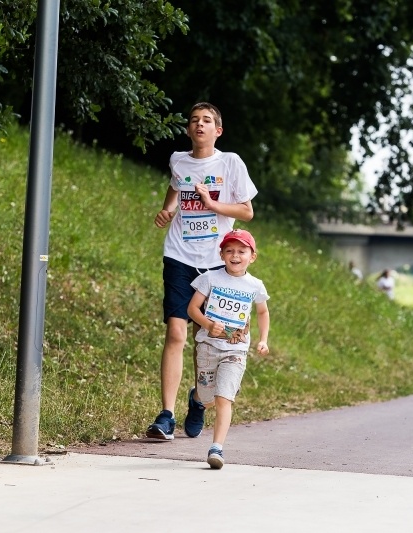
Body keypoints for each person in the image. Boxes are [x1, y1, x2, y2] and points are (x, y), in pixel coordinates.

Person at [147, 102, 258, 440]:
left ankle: (198, 399)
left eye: (207, 121)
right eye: (194, 120)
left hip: (215, 262)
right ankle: (165, 415)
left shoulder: (230, 162)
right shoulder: (179, 160)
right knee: (176, 333)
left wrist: (211, 204)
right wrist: (168, 210)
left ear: (217, 130)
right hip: (179, 254)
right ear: (188, 129)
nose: (200, 125)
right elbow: (175, 187)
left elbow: (246, 211)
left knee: (207, 341)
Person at [187, 229, 270, 469]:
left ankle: (217, 448)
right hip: (208, 346)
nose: (235, 255)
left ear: (252, 256)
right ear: (221, 254)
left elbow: (263, 312)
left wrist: (263, 339)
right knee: (207, 398)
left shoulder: (255, 285)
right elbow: (193, 309)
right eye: (230, 251)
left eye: (242, 251)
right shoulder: (210, 278)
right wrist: (208, 324)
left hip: (236, 350)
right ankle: (196, 399)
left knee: (224, 398)